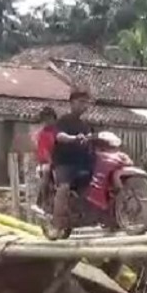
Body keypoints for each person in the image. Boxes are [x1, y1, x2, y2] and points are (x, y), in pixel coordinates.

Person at [50, 89, 95, 234]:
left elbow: (90, 137)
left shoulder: (85, 124)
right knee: (63, 188)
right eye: (81, 102)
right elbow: (59, 136)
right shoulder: (63, 121)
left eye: (86, 103)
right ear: (72, 103)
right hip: (65, 162)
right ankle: (56, 225)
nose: (84, 106)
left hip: (82, 162)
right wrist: (73, 138)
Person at [32, 106, 57, 203]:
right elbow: (44, 151)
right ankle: (42, 199)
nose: (48, 121)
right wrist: (50, 161)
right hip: (45, 162)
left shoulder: (58, 131)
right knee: (46, 171)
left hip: (58, 160)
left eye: (49, 118)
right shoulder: (43, 133)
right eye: (45, 119)